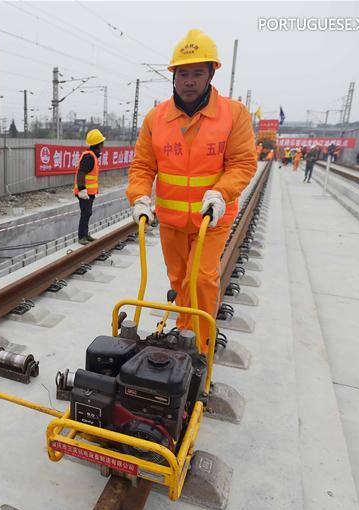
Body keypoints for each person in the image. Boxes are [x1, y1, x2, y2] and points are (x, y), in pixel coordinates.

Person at [127, 29, 257, 351]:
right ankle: (183, 332)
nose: (189, 80)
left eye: (197, 73)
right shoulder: (155, 119)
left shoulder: (233, 114)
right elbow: (143, 166)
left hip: (211, 220)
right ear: (173, 75)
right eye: (183, 73)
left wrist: (221, 193)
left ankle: (198, 349)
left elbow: (243, 163)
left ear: (211, 73)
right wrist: (140, 196)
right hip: (171, 221)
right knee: (179, 281)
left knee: (199, 279)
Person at [74, 128, 106, 244]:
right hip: (85, 193)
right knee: (85, 213)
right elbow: (81, 172)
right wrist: (82, 190)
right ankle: (81, 237)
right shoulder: (89, 157)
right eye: (102, 143)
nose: (103, 146)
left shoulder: (92, 156)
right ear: (98, 145)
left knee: (87, 213)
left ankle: (85, 235)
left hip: (89, 192)